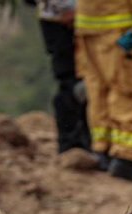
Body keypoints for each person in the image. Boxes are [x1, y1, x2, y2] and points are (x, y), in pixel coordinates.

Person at [74, 0, 132, 184]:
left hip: (86, 27)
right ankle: (126, 157)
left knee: (98, 89)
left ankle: (103, 148)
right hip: (117, 27)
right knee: (128, 89)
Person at [24, 0, 91, 156]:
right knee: (71, 83)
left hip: (80, 17)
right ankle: (72, 145)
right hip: (60, 19)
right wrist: (65, 8)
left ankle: (87, 142)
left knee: (87, 81)